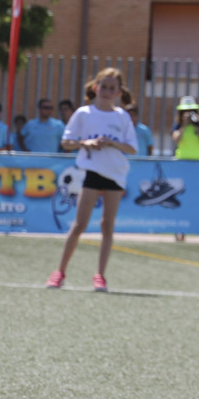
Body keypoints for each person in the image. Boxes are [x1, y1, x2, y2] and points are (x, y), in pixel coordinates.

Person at [46, 68, 137, 292]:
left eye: (112, 88)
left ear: (118, 92)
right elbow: (66, 142)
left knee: (107, 226)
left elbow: (132, 148)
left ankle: (100, 276)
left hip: (115, 174)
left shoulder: (122, 116)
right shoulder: (84, 113)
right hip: (91, 173)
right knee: (80, 225)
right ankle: (59, 272)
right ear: (95, 88)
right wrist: (86, 143)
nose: (107, 91)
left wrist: (112, 143)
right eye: (103, 87)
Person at [171, 96, 199, 242]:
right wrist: (184, 125)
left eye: (191, 111)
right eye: (185, 111)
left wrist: (196, 126)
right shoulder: (178, 125)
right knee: (181, 197)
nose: (188, 113)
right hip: (182, 164)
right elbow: (176, 139)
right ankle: (180, 230)